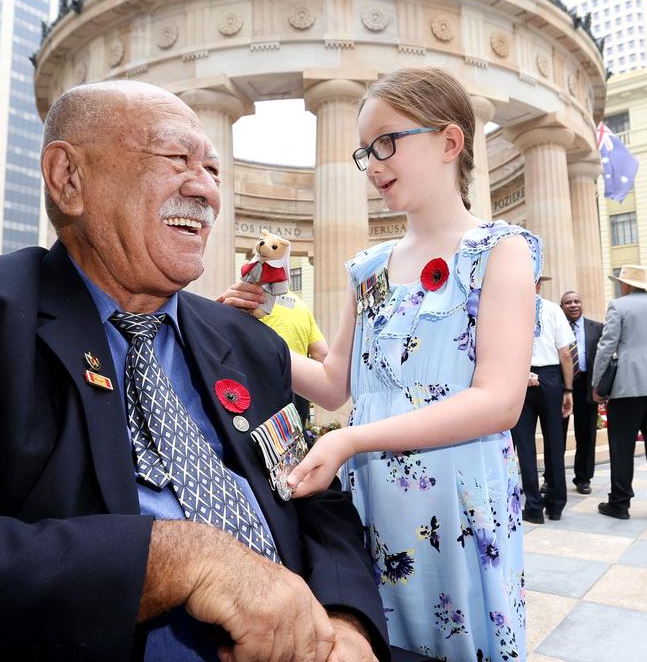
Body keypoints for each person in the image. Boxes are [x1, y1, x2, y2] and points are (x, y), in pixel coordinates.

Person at [0, 81, 390, 662]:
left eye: (212, 170)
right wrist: (178, 560)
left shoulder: (245, 341)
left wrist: (347, 624)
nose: (205, 190)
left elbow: (317, 503)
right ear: (69, 178)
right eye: (176, 157)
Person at [221, 67, 537, 661]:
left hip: (459, 499)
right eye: (366, 149)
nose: (372, 161)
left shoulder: (502, 249)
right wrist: (241, 330)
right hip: (372, 498)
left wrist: (351, 441)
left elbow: (499, 400)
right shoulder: (367, 268)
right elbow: (334, 384)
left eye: (388, 141)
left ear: (450, 142)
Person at [592, 264, 647, 523]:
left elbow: (607, 345)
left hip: (628, 387)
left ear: (626, 285)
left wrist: (597, 383)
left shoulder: (619, 306)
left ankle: (620, 503)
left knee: (621, 448)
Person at [515, 278, 574, 522]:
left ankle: (533, 506)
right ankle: (556, 504)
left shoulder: (511, 309)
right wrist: (568, 389)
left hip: (521, 375)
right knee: (554, 443)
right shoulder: (553, 309)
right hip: (551, 377)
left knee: (525, 445)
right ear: (539, 284)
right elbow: (565, 353)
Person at [258, 289, 329, 427]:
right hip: (299, 388)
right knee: (296, 440)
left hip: (264, 384)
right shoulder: (302, 306)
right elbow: (322, 354)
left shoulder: (255, 300)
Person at [560, 290, 603, 494]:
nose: (573, 305)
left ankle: (583, 478)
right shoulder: (557, 327)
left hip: (587, 385)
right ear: (562, 307)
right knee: (556, 434)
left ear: (582, 304)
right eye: (568, 302)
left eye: (577, 301)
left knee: (586, 435)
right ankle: (553, 477)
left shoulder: (597, 328)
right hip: (562, 385)